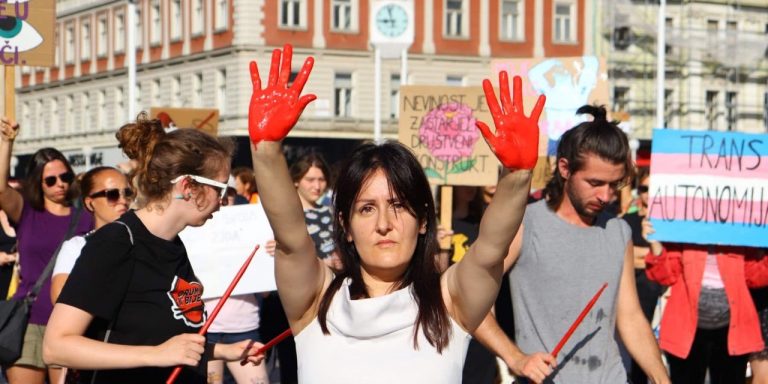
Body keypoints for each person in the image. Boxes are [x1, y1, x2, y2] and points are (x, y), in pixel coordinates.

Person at [248, 44, 542, 383]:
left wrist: (517, 173)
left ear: (423, 221)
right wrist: (266, 150)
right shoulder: (317, 301)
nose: (384, 224)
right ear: (345, 225)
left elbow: (491, 248)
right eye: (367, 209)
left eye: (399, 206)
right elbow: (291, 239)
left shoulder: (450, 303)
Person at [42, 115, 264, 383]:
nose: (222, 201)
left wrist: (223, 351)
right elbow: (56, 347)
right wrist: (156, 354)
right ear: (187, 187)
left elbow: (162, 338)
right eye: (220, 188)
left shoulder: (174, 244)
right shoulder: (116, 242)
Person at [473, 106, 670, 384]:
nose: (605, 196)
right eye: (595, 182)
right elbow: (469, 298)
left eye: (614, 185)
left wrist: (662, 379)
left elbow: (630, 317)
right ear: (565, 169)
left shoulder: (618, 231)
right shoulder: (525, 223)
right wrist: (515, 357)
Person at [0, 117, 95, 384]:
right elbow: (0, 189)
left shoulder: (86, 217)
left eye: (64, 177)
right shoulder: (27, 212)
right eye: (50, 180)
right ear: (38, 183)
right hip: (28, 323)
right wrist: (7, 142)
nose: (59, 184)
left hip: (71, 324)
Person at [643, 225, 768, 383]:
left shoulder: (739, 231)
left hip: (731, 331)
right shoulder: (684, 230)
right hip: (686, 330)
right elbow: (666, 275)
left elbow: (756, 275)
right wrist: (655, 243)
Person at [49, 166, 134, 304]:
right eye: (112, 194)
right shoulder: (76, 247)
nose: (123, 201)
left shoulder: (141, 241)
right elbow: (60, 298)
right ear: (90, 203)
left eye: (127, 193)